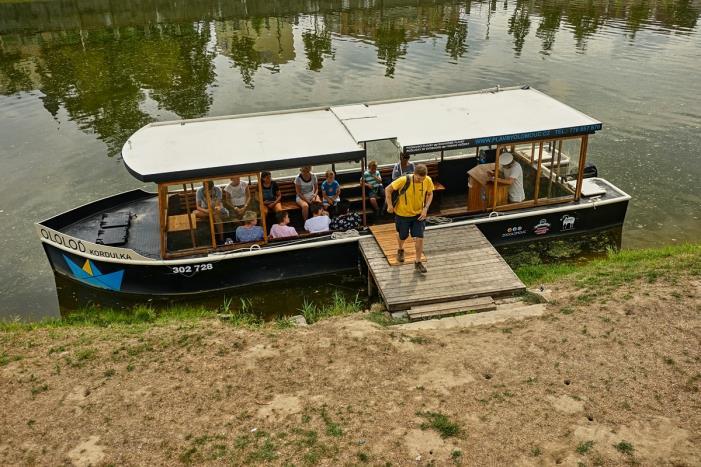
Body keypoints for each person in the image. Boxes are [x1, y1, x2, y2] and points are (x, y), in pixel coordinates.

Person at [385, 163, 434, 274]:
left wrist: (426, 208)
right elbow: (388, 189)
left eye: (423, 179)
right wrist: (389, 205)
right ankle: (401, 249)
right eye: (418, 178)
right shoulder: (403, 180)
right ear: (414, 174)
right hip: (402, 215)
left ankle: (418, 261)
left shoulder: (427, 180)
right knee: (403, 236)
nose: (420, 181)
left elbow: (430, 194)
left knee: (420, 237)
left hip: (418, 215)